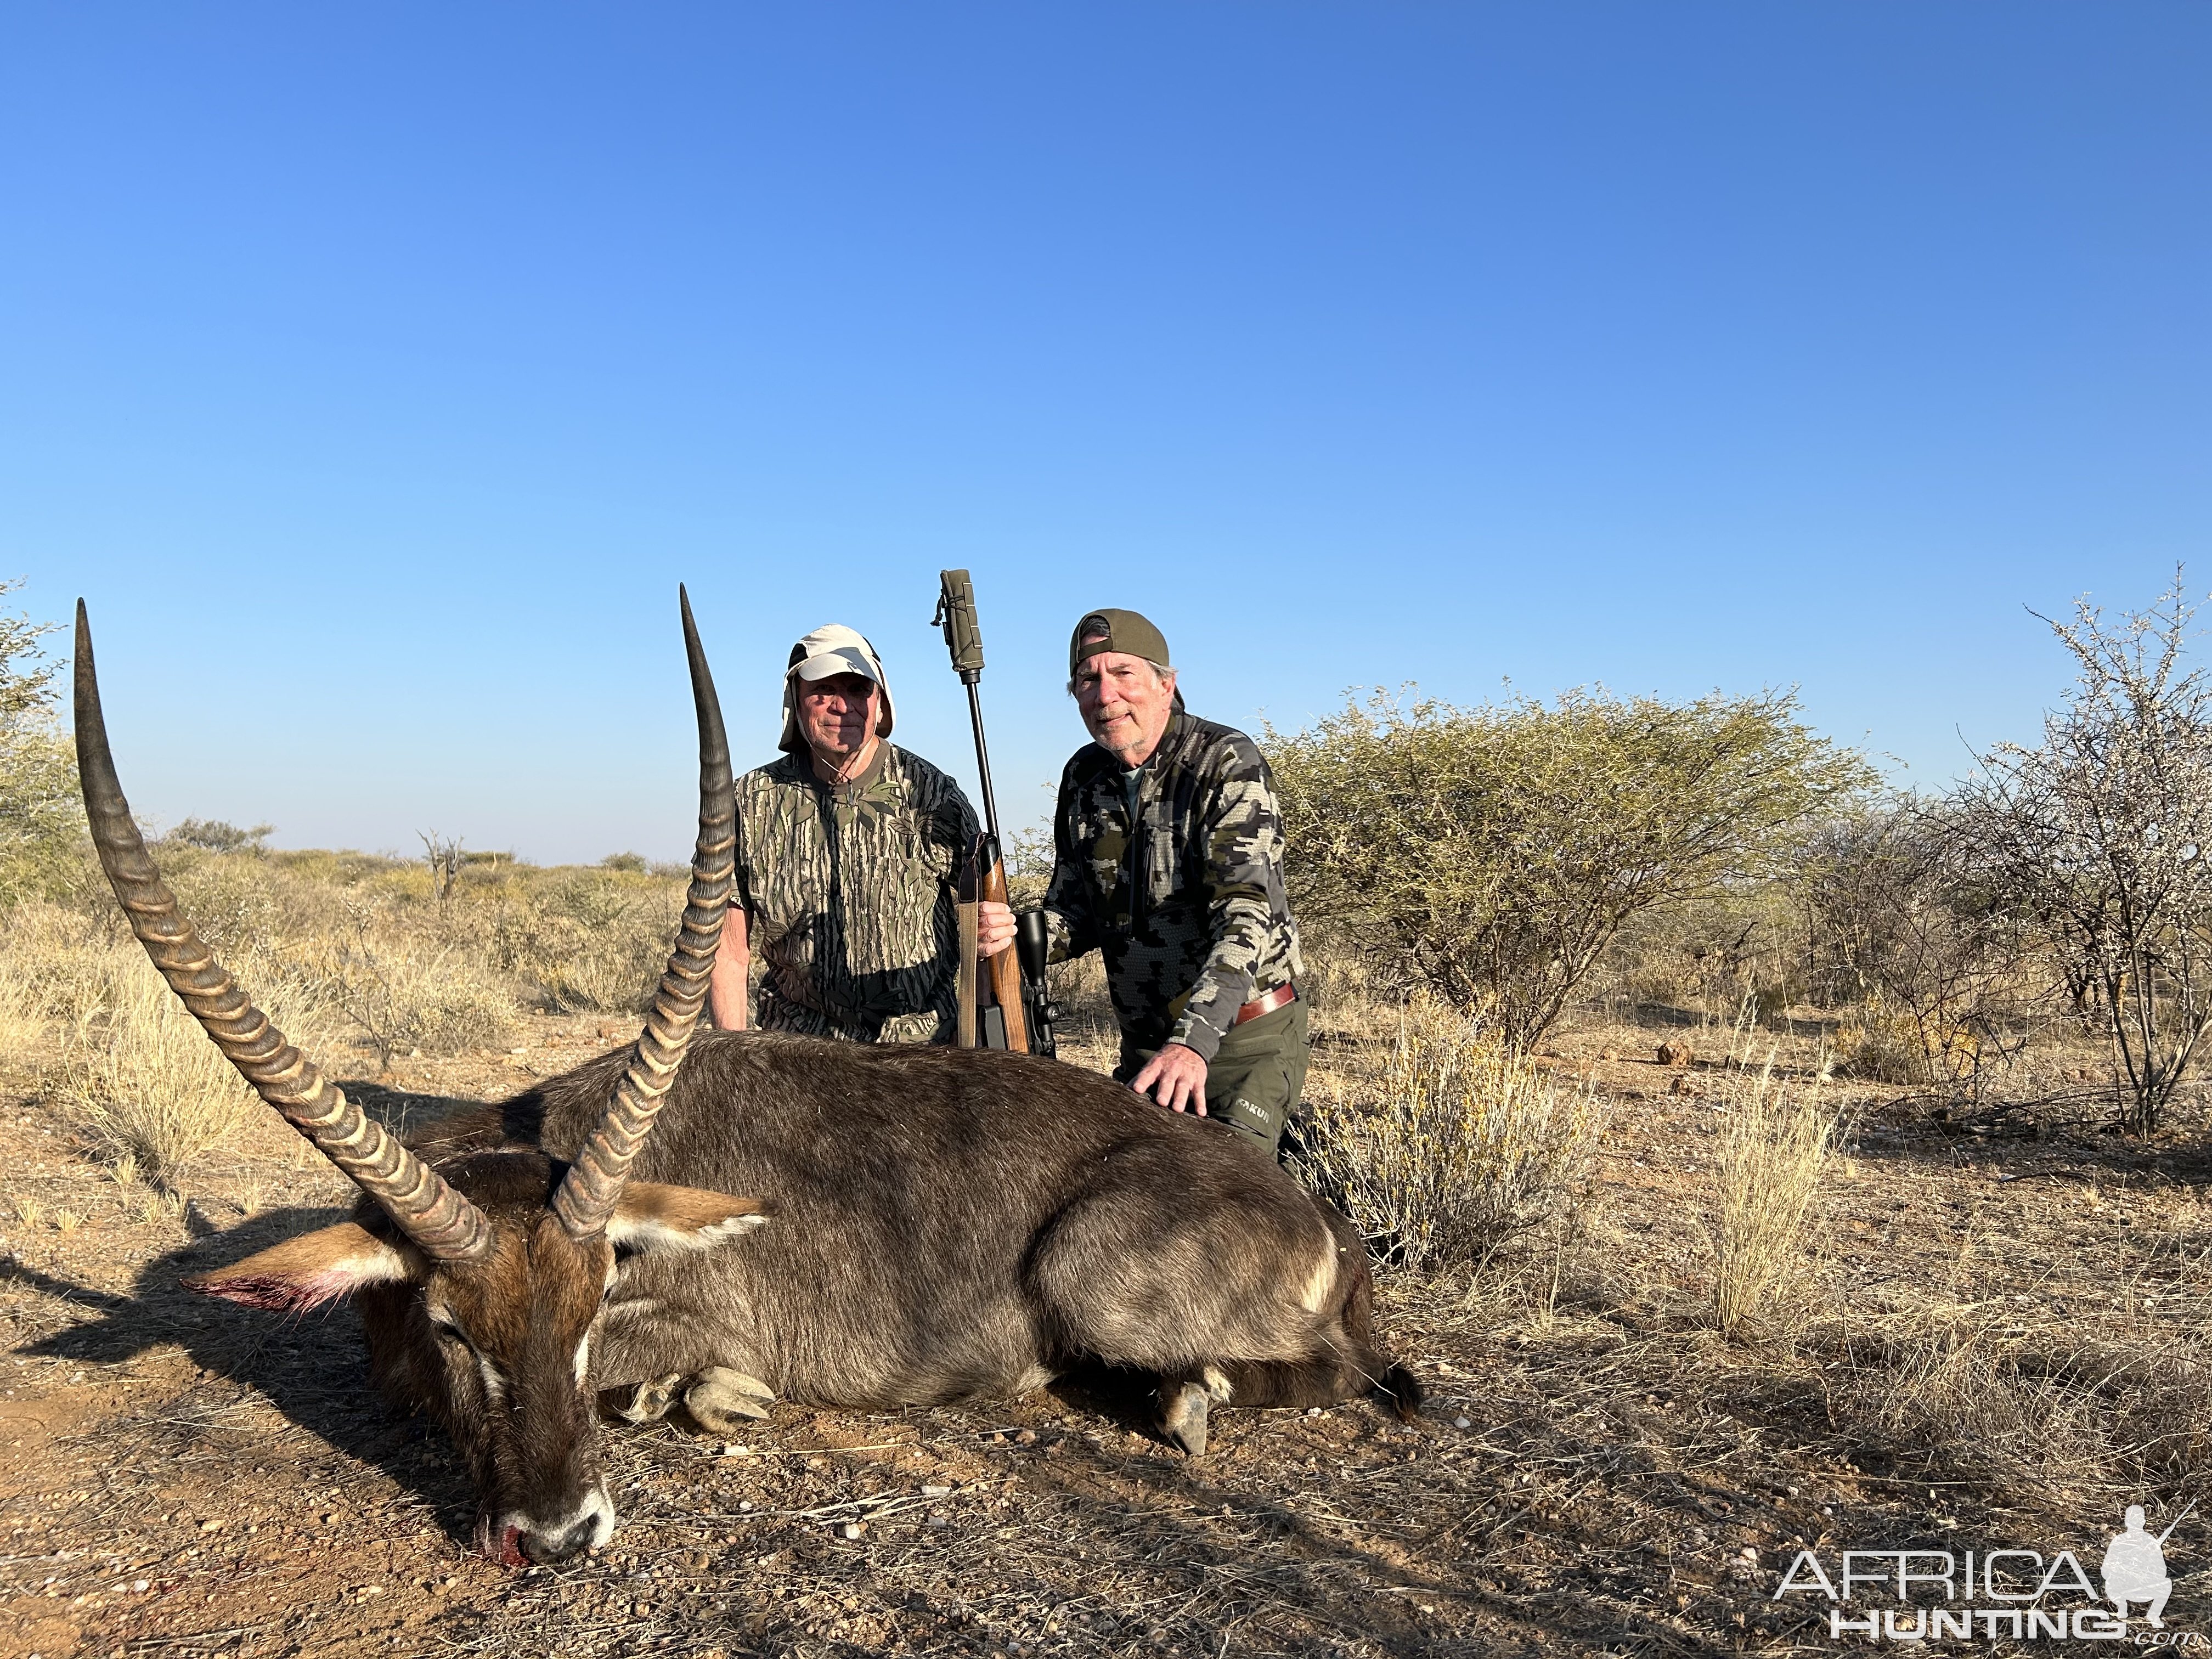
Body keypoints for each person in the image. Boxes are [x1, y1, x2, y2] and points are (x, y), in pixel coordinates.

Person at [1033, 607, 1307, 1154]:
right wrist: (1018, 937)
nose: (1106, 694)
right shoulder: (1084, 777)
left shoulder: (1226, 761)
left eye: (1123, 674)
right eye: (1088, 680)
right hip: (1146, 1050)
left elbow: (1245, 914)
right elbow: (1076, 913)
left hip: (1239, 1041)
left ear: (1166, 684)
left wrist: (1192, 1044)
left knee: (1222, 1208)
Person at [707, 624, 1014, 1043]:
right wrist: (735, 1059)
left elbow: (982, 929)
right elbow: (728, 950)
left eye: (857, 689)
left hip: (921, 1048)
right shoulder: (747, 802)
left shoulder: (932, 792)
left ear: (881, 702)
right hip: (797, 1047)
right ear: (795, 700)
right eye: (823, 690)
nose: (842, 706)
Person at [2102, 1505, 2174, 1628]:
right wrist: (2123, 1569)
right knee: (2110, 1581)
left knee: (2167, 1583)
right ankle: (2122, 1607)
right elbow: (2106, 1570)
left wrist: (2145, 1568)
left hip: (2144, 1588)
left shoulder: (2150, 1541)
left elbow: (2162, 1571)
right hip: (2123, 1588)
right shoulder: (2120, 1541)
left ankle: (2153, 1615)